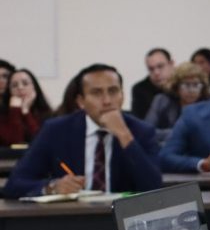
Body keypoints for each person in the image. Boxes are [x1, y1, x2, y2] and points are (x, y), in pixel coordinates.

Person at [4, 63, 161, 198]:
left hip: (122, 218)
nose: (107, 101)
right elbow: (14, 184)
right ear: (81, 101)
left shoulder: (141, 131)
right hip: (73, 217)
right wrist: (52, 187)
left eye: (113, 91)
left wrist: (124, 136)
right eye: (96, 93)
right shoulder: (56, 130)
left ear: (122, 95)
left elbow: (154, 189)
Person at [144, 61, 210, 144]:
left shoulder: (208, 105)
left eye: (195, 85)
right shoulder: (161, 101)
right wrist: (178, 133)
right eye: (186, 85)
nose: (191, 90)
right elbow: (145, 131)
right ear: (176, 87)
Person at [0, 68, 52, 146]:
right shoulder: (3, 116)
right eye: (14, 85)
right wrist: (15, 110)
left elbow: (41, 141)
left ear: (34, 87)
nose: (20, 88)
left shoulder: (47, 114)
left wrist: (26, 111)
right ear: (9, 91)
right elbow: (15, 143)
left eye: (25, 83)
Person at [131, 48, 175, 119]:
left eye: (160, 66)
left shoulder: (183, 84)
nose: (156, 73)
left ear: (171, 64)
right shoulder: (140, 89)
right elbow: (138, 121)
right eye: (151, 69)